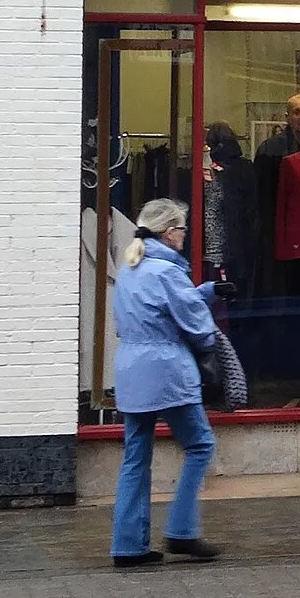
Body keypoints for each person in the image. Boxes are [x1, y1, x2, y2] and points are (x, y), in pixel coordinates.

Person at [110, 197, 221, 567]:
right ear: (170, 232)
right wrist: (209, 335)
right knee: (200, 445)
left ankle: (128, 546)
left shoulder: (132, 266)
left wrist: (205, 291)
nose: (185, 236)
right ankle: (182, 530)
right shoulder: (169, 272)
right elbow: (198, 328)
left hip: (131, 369)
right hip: (167, 370)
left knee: (135, 457)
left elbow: (159, 304)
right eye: (183, 229)